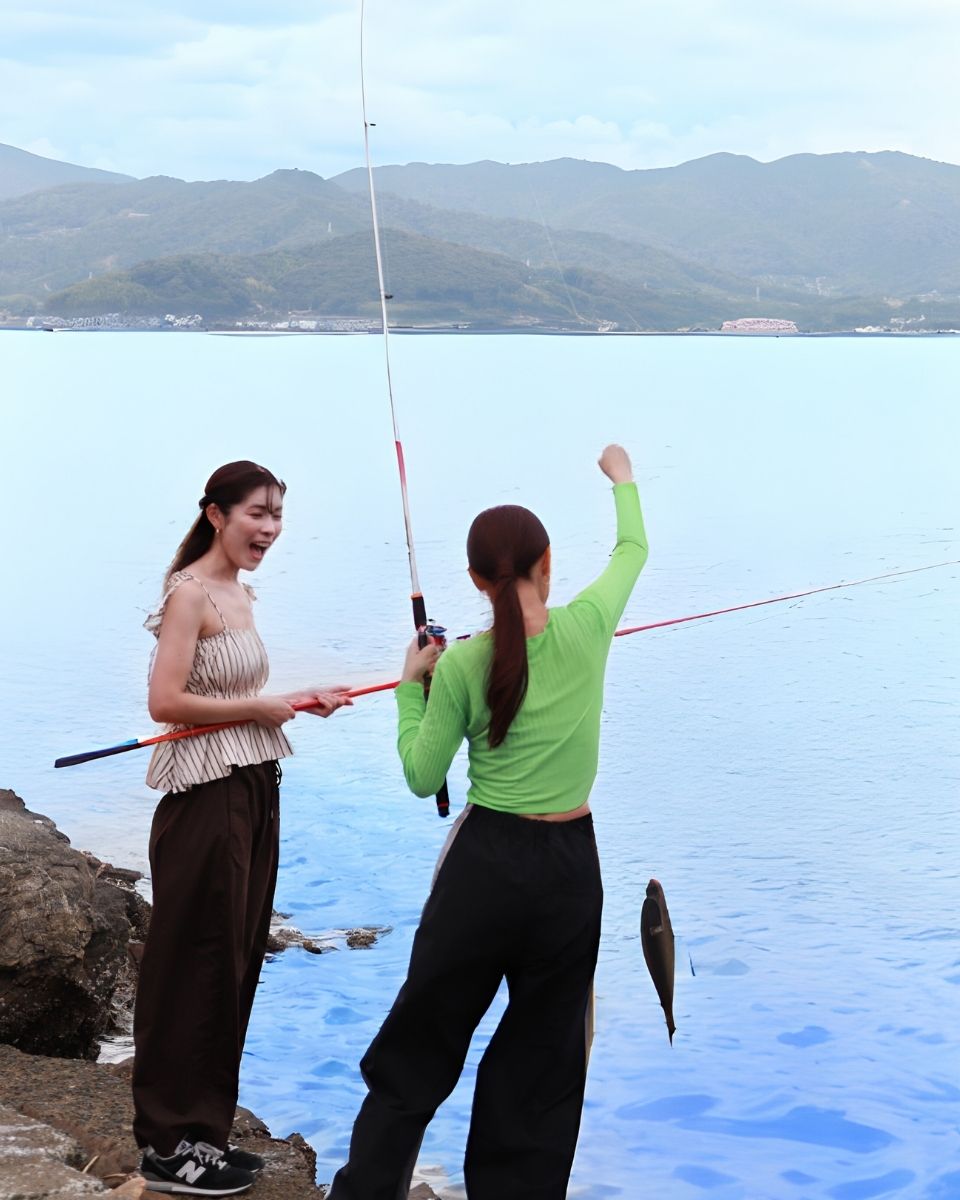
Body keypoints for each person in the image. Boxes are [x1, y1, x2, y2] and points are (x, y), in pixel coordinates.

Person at [329, 444, 647, 1200]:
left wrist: (412, 687)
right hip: (571, 867)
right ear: (548, 565)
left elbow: (422, 776)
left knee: (421, 1042)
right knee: (542, 1060)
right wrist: (622, 478)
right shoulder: (589, 626)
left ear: (476, 580)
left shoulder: (464, 665)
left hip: (485, 867)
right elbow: (633, 549)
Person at [133, 460, 350, 1196]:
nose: (269, 528)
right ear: (216, 513)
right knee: (191, 966)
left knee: (233, 964)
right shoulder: (189, 595)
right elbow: (167, 700)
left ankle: (205, 1135)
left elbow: (238, 694)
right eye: (257, 513)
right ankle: (168, 1148)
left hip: (253, 786)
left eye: (278, 515)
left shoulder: (240, 594)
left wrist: (296, 699)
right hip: (205, 799)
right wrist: (260, 709)